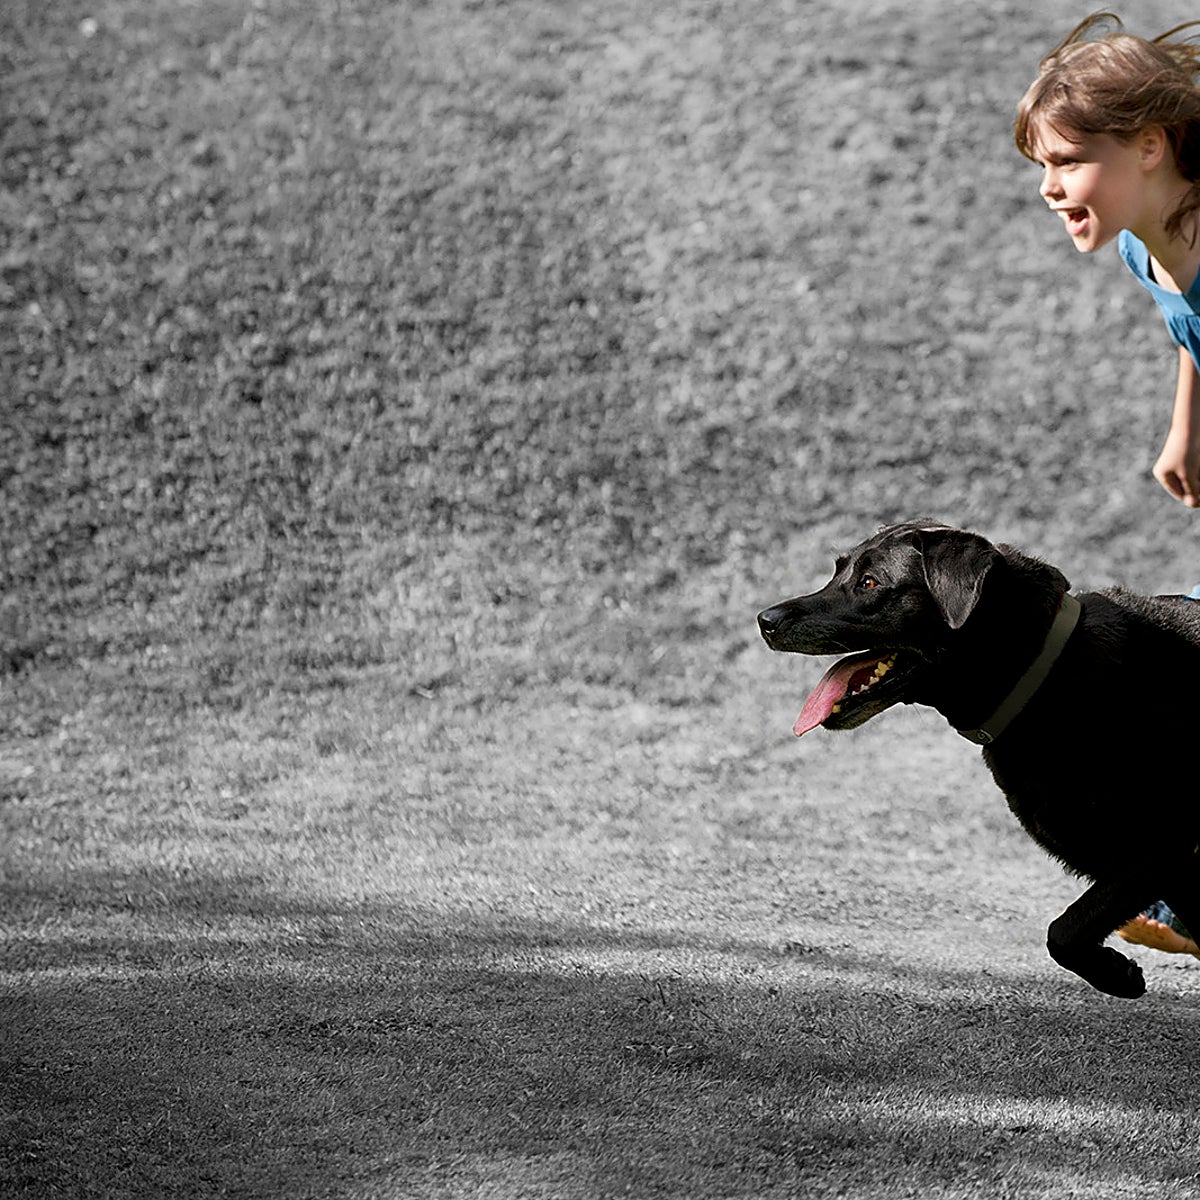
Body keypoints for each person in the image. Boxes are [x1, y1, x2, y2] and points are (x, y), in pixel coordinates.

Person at [1015, 11, 1200, 956]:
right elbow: (1188, 328)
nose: (1050, 188)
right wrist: (1184, 426)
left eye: (1068, 161)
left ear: (1150, 145)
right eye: (1041, 166)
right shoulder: (1147, 241)